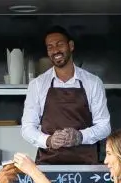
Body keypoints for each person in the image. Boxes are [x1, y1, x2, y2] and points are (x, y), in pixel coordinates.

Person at [20, 25, 111, 165]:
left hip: (85, 166)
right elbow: (27, 128)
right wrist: (49, 140)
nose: (55, 50)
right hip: (48, 166)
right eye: (50, 47)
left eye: (59, 44)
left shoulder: (93, 82)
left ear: (71, 46)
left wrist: (80, 136)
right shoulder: (37, 85)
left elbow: (104, 126)